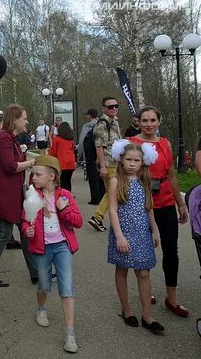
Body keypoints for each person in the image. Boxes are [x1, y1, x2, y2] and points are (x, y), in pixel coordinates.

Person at [129, 106, 190, 316]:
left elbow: (171, 175)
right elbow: (124, 175)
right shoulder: (132, 144)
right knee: (144, 250)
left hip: (165, 203)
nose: (148, 124)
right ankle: (148, 291)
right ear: (138, 122)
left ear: (159, 121)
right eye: (144, 120)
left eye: (152, 120)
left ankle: (171, 297)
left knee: (171, 250)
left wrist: (180, 204)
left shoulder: (165, 144)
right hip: (142, 205)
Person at [22, 155, 82, 353]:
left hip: (62, 246)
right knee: (44, 285)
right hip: (42, 248)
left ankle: (70, 334)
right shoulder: (33, 196)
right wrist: (27, 230)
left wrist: (63, 210)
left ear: (52, 176)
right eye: (32, 174)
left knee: (67, 288)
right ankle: (41, 309)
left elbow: (78, 221)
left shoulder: (65, 195)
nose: (33, 178)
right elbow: (25, 221)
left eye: (38, 174)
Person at [107, 141, 164, 334]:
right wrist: (119, 236)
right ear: (121, 160)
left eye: (136, 160)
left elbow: (149, 208)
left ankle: (148, 315)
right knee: (122, 269)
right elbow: (113, 210)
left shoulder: (144, 180)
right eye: (128, 159)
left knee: (144, 272)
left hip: (142, 232)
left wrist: (154, 229)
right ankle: (127, 310)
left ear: (143, 162)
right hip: (122, 232)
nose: (132, 163)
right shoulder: (116, 181)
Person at [0, 104, 38, 287]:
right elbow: (10, 166)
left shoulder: (9, 138)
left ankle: (36, 272)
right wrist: (31, 163)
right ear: (15, 120)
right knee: (3, 234)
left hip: (12, 194)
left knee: (24, 231)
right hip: (5, 195)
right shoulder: (4, 139)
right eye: (24, 118)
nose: (26, 121)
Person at [88, 97, 122, 232]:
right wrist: (102, 166)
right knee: (113, 192)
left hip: (116, 163)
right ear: (103, 109)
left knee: (113, 191)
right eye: (110, 107)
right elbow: (99, 146)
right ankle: (98, 216)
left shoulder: (114, 122)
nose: (114, 108)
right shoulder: (102, 124)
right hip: (109, 164)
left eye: (116, 106)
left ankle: (100, 216)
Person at [78, 109, 105, 205]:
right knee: (101, 176)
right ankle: (103, 196)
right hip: (102, 153)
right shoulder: (102, 124)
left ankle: (95, 198)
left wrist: (79, 155)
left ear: (90, 116)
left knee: (92, 176)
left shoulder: (87, 126)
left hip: (90, 154)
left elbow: (81, 141)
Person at [49, 122, 76, 192]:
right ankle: (68, 195)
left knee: (62, 182)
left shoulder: (56, 139)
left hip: (62, 163)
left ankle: (64, 197)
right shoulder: (71, 139)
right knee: (68, 181)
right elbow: (72, 150)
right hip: (71, 162)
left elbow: (53, 152)